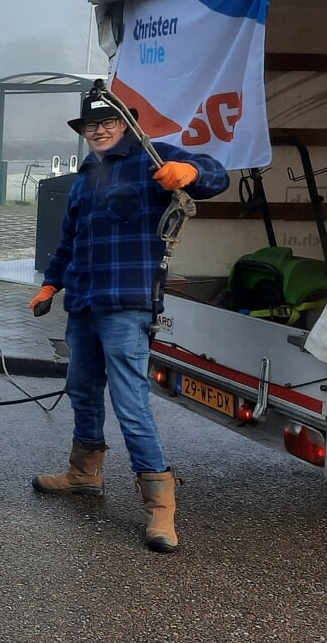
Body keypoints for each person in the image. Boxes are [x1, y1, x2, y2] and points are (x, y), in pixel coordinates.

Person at [29, 94, 229, 554]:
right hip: (82, 303)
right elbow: (69, 240)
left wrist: (193, 174)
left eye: (107, 122)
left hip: (126, 305)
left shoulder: (152, 160)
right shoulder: (85, 178)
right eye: (89, 125)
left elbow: (215, 175)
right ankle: (84, 472)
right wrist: (50, 285)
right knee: (81, 388)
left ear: (125, 123)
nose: (98, 131)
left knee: (131, 403)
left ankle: (160, 506)